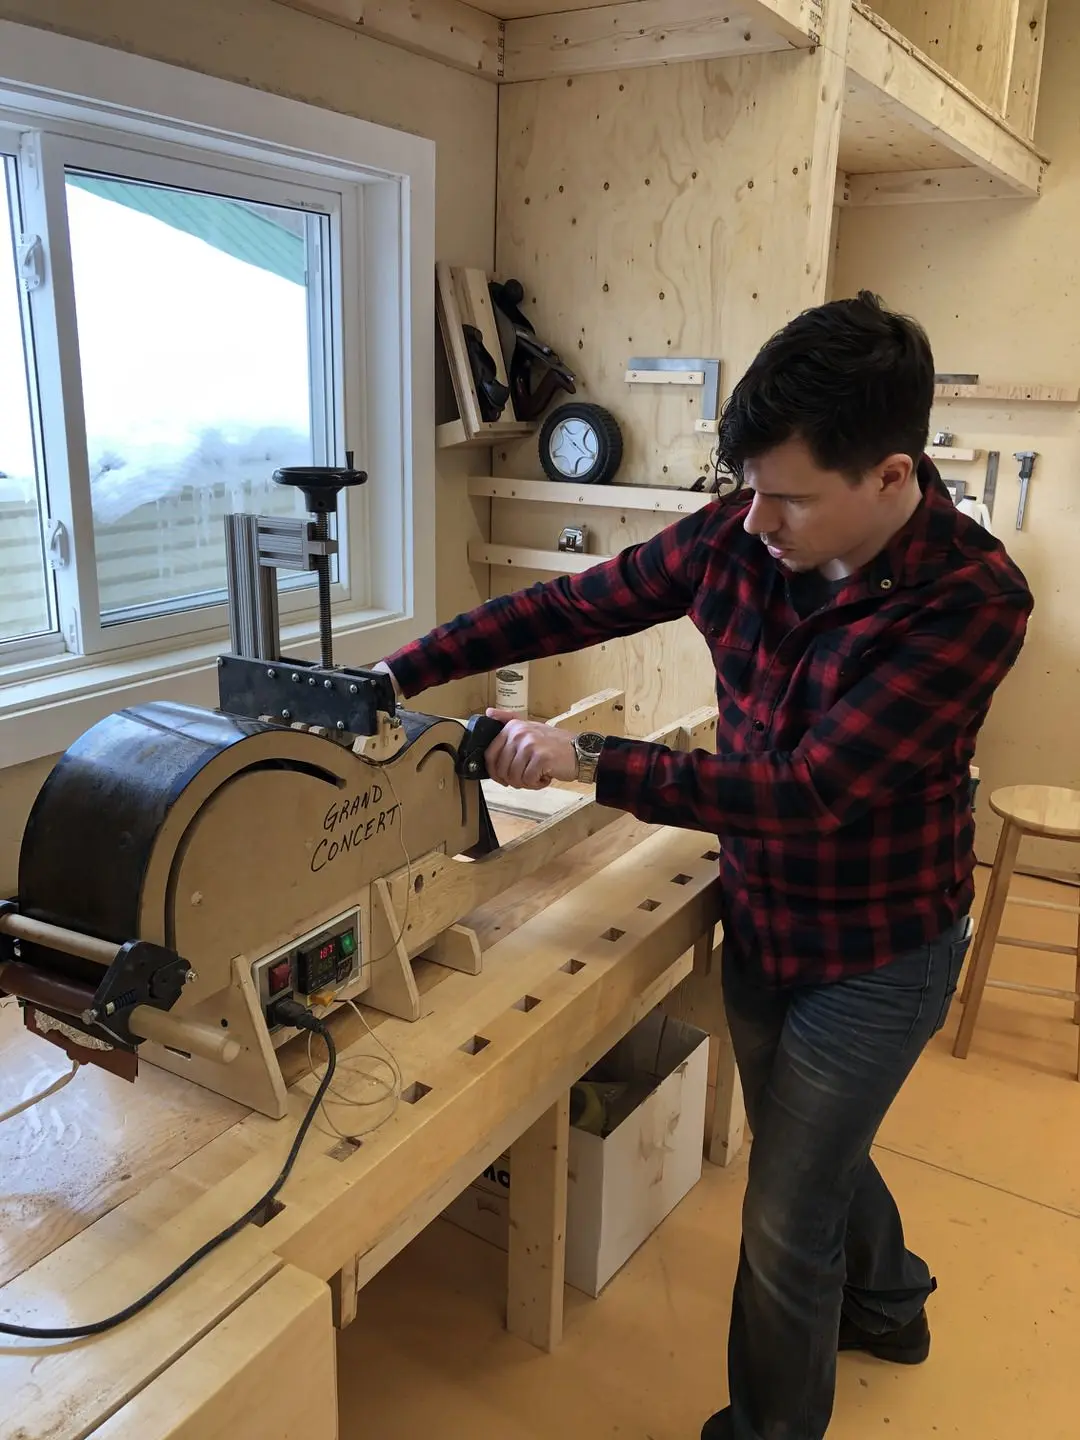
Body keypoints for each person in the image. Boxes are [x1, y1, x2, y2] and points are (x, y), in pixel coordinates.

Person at [375, 291, 1033, 1440]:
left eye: (787, 497)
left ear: (889, 477)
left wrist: (588, 762)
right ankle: (891, 1300)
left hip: (879, 950)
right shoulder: (743, 535)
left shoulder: (969, 602)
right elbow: (574, 605)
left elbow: (810, 792)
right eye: (746, 487)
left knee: (784, 1216)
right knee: (807, 1153)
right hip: (766, 918)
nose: (756, 520)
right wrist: (399, 672)